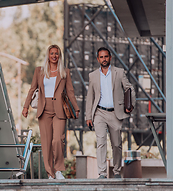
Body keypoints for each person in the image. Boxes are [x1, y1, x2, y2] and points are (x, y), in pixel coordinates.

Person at [22, 44, 79, 179]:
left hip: (59, 109)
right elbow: (32, 89)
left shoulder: (65, 72)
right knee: (46, 142)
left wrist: (76, 107)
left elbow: (70, 91)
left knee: (58, 140)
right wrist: (25, 106)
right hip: (44, 108)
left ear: (59, 56)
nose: (54, 56)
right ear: (48, 55)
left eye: (57, 53)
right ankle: (50, 173)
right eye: (52, 53)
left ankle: (58, 170)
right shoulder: (39, 71)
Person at [85, 47, 135, 179]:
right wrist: (88, 116)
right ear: (98, 59)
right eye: (101, 57)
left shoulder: (119, 72)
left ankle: (117, 172)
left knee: (116, 144)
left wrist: (130, 105)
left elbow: (129, 88)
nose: (104, 59)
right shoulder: (93, 75)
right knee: (101, 141)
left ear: (110, 58)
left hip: (115, 113)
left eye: (106, 56)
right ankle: (102, 173)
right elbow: (90, 97)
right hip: (99, 113)